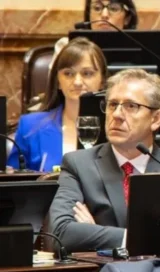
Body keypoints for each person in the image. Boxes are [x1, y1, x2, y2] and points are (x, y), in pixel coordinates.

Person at [48, 68, 160, 253]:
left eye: (131, 106)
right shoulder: (78, 165)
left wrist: (94, 232)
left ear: (156, 119)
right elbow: (59, 234)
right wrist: (131, 238)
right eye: (112, 104)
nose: (116, 115)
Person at [7, 38, 107, 173]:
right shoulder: (30, 127)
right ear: (58, 80)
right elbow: (14, 186)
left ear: (102, 80)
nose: (77, 82)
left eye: (87, 73)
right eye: (68, 74)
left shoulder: (117, 127)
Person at [49, 1, 139, 72]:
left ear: (127, 18)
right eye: (97, 8)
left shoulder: (141, 46)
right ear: (89, 15)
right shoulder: (66, 46)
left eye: (114, 8)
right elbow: (54, 88)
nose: (104, 15)